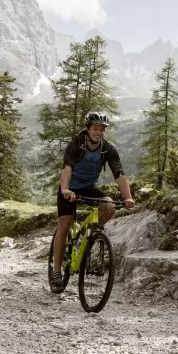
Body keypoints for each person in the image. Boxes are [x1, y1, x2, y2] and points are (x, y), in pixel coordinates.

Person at [51, 111, 134, 278]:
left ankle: (88, 236)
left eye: (102, 129)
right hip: (69, 188)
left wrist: (128, 197)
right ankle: (57, 271)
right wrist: (66, 190)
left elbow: (119, 174)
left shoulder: (108, 149)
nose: (99, 132)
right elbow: (67, 169)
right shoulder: (76, 145)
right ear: (88, 129)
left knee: (109, 207)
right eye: (95, 128)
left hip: (88, 187)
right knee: (65, 224)